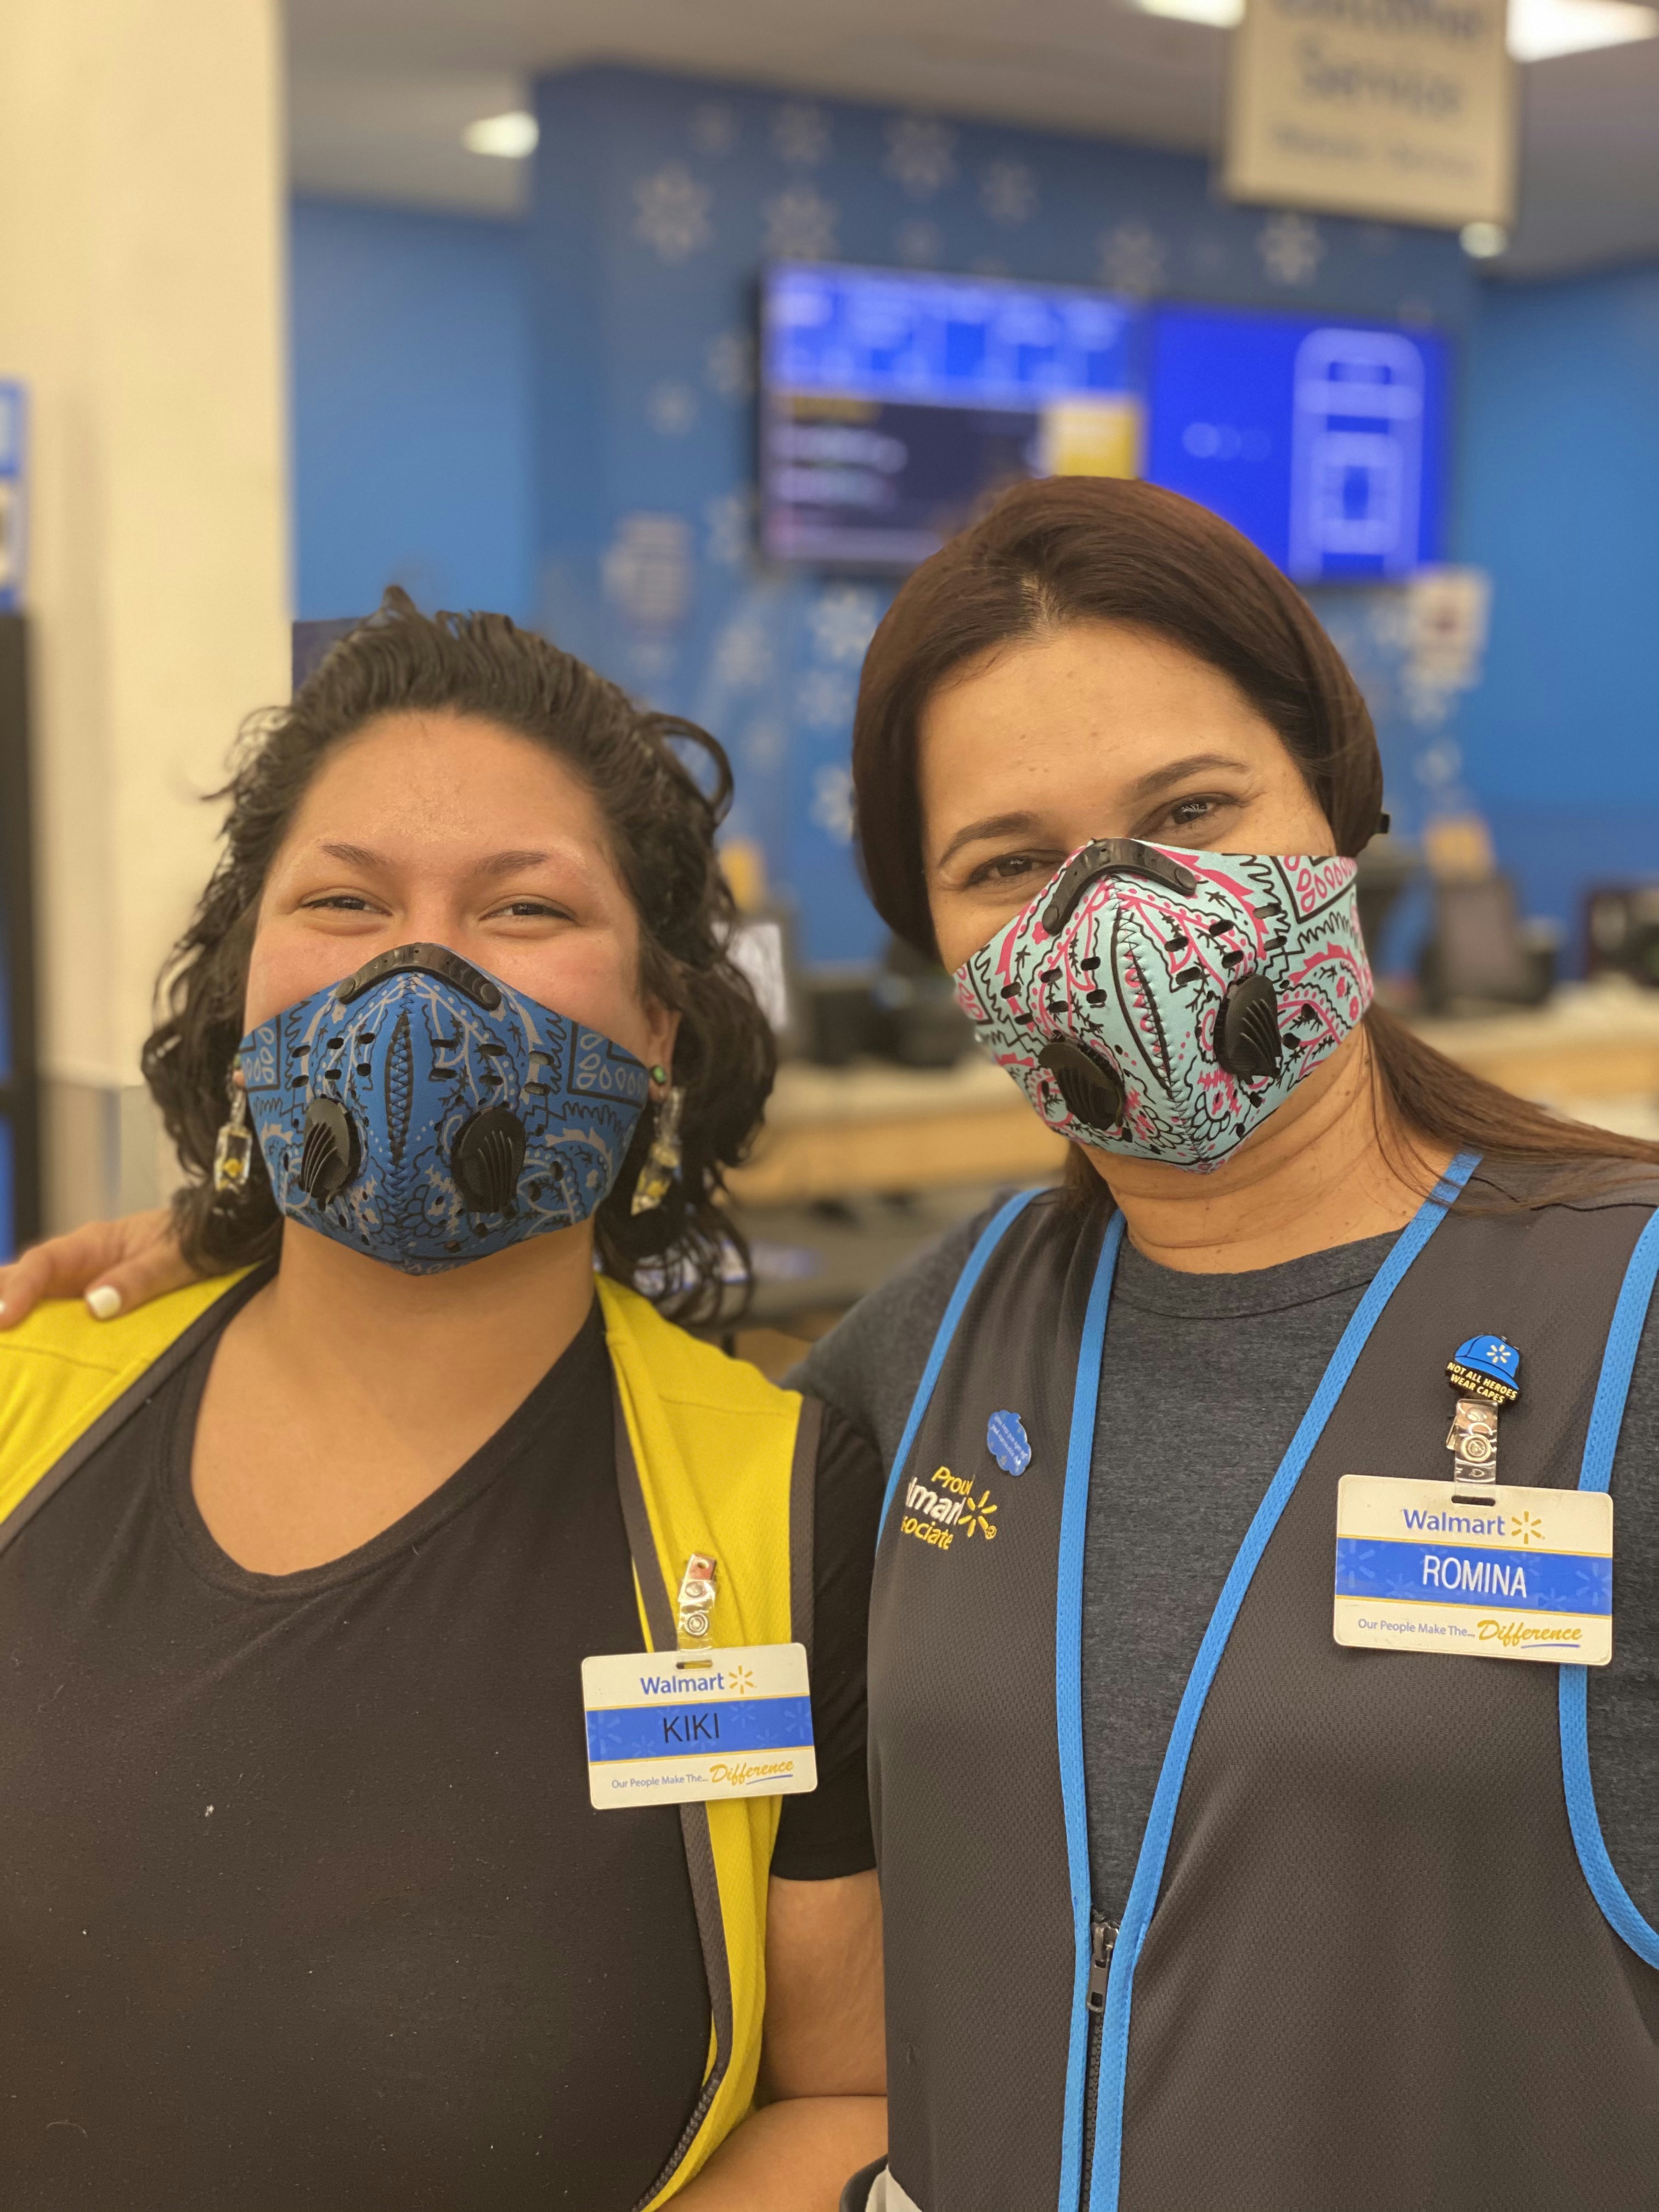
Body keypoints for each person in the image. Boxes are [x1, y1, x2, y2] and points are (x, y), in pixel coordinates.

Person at [20, 483, 1659, 2212]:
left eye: (1190, 809)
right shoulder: (919, 1373)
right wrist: (234, 1240)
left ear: (1338, 804)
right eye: (1010, 863)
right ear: (947, 945)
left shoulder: (1623, 1312)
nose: (1117, 916)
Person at [0, 593, 886, 2212]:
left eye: (524, 909)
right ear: (244, 996)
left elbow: (846, 2090)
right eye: (343, 900)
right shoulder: (27, 1405)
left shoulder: (780, 1502)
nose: (417, 972)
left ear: (658, 1027)